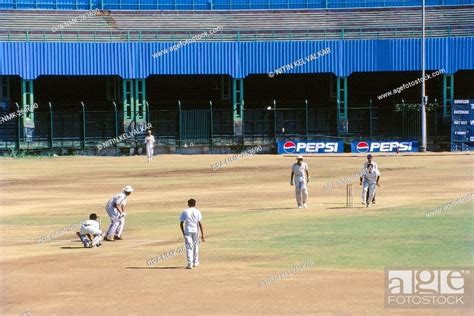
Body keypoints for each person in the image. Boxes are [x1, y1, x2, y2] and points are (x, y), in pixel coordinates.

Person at [179, 199, 205, 269]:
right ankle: (195, 262)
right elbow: (200, 223)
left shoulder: (185, 211)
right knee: (195, 246)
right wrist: (202, 234)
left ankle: (190, 264)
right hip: (196, 231)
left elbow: (181, 223)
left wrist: (183, 232)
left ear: (188, 204)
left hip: (187, 231)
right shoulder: (197, 211)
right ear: (195, 204)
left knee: (189, 247)